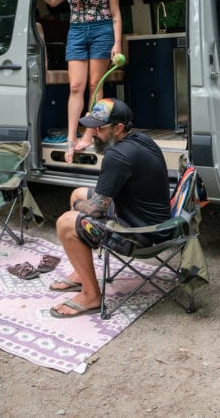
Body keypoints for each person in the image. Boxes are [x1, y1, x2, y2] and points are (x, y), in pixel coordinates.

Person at [48, 98, 171, 318]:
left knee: (66, 223)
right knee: (78, 193)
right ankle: (81, 273)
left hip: (140, 234)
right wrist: (81, 204)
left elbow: (95, 209)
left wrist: (78, 208)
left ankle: (91, 295)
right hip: (153, 221)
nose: (92, 132)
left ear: (119, 128)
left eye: (99, 127)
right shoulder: (142, 140)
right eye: (91, 126)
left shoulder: (118, 156)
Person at [28, 0, 123, 163]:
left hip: (102, 31)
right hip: (77, 33)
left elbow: (116, 14)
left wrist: (117, 43)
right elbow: (52, 0)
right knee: (76, 86)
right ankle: (72, 136)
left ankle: (90, 133)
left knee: (95, 85)